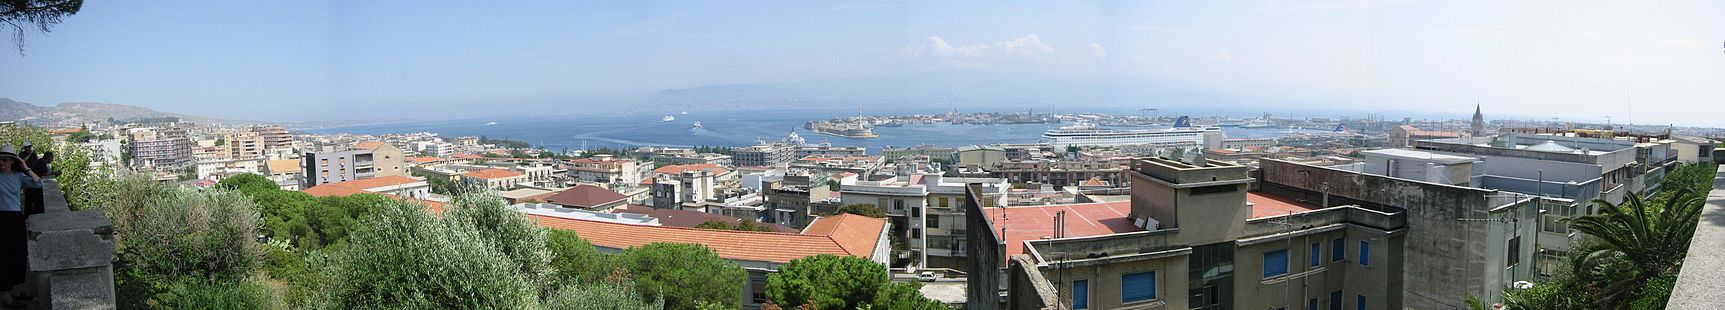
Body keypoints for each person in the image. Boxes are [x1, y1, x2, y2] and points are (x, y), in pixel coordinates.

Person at [0, 144, 42, 309]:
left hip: (16, 217)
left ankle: (16, 290)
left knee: (19, 253)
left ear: (12, 161)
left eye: (5, 159)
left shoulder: (18, 176)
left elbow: (38, 184)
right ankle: (5, 296)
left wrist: (25, 167)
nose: (1, 162)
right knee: (4, 255)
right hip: (1, 218)